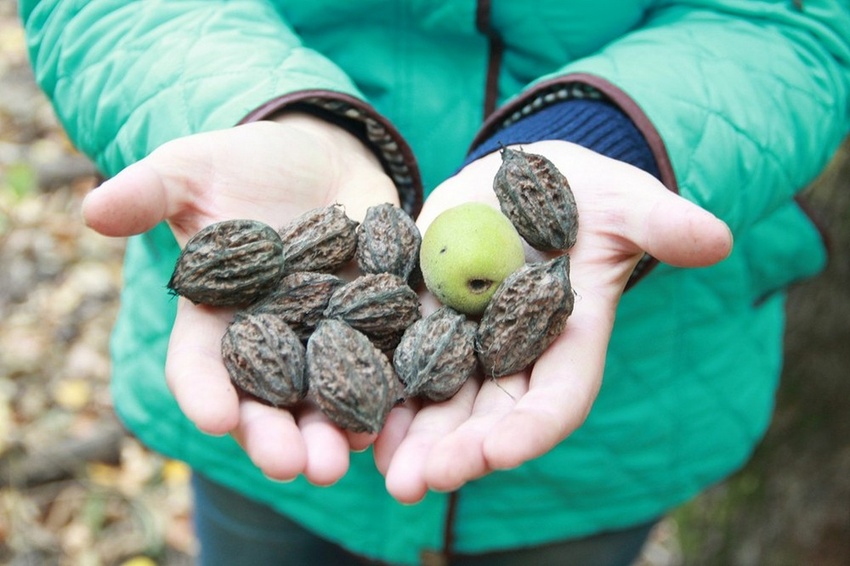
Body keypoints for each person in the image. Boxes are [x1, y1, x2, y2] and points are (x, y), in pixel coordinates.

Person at [19, 1, 850, 564]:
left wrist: (612, 134)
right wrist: (257, 109)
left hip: (617, 434)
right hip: (255, 462)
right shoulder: (324, 294)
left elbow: (801, 22)